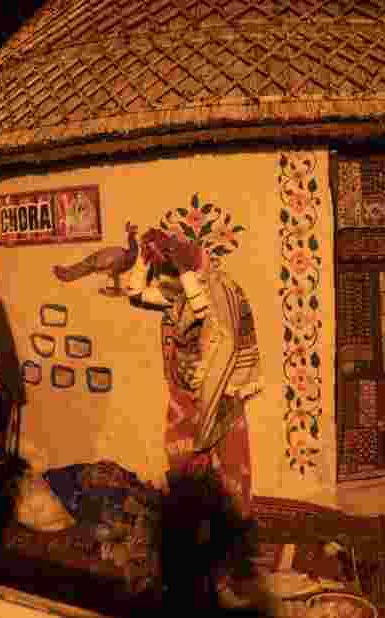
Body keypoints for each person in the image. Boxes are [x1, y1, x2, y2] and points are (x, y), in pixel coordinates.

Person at [124, 228, 263, 608]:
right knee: (182, 471)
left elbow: (216, 327)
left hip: (222, 395)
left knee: (233, 476)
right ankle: (189, 554)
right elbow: (136, 293)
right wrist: (142, 259)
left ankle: (235, 560)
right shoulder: (181, 295)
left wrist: (185, 267)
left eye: (178, 263)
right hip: (186, 395)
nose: (169, 275)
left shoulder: (221, 290)